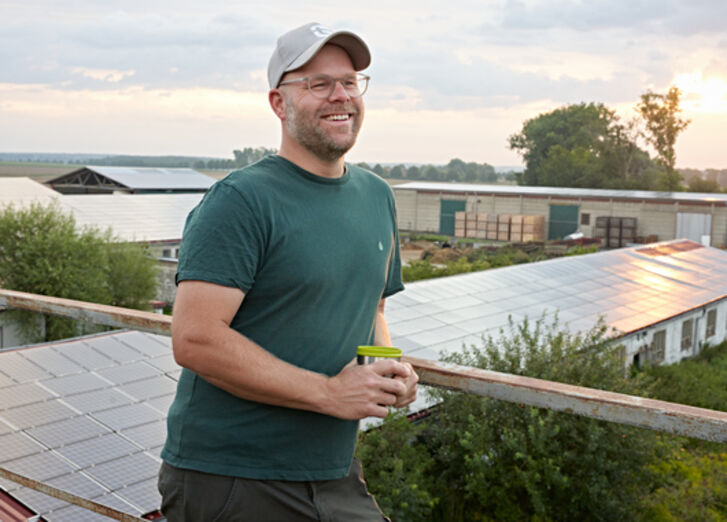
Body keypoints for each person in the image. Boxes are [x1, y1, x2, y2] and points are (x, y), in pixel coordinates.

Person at [157, 22, 418, 521]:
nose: (340, 96)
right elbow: (195, 339)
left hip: (333, 470)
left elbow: (373, 306)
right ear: (279, 103)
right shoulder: (242, 201)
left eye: (350, 81)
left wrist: (387, 374)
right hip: (231, 476)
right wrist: (328, 392)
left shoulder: (376, 196)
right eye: (318, 84)